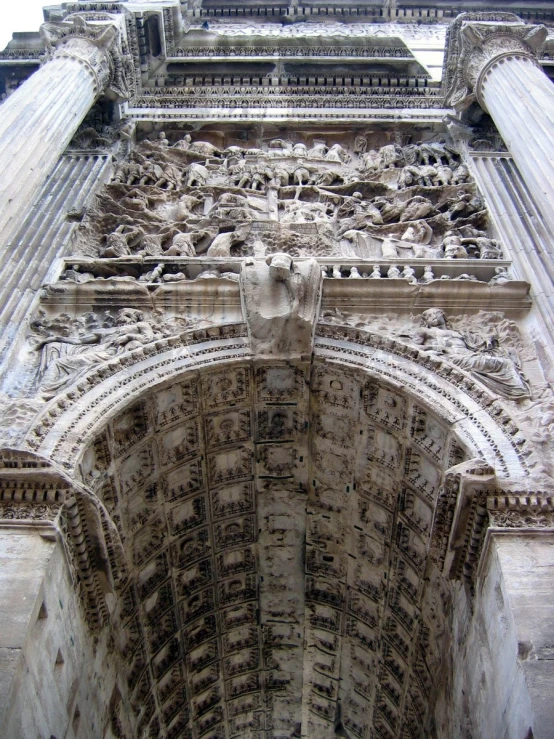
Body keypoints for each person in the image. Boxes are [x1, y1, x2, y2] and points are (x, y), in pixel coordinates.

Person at [409, 308, 530, 399]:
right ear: (426, 321)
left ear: (443, 315)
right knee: (503, 364)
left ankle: (520, 394)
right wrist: (438, 348)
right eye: (429, 316)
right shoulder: (424, 331)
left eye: (436, 313)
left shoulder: (458, 332)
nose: (433, 316)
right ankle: (517, 393)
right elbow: (413, 347)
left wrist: (489, 339)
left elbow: (478, 344)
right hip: (452, 357)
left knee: (506, 362)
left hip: (468, 355)